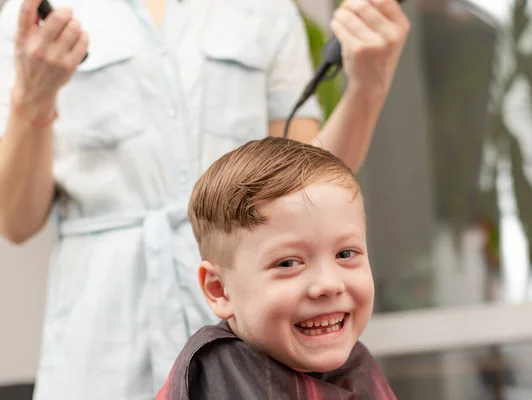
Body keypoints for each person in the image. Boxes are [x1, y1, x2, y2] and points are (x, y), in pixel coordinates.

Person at [0, 0, 409, 398]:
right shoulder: (29, 19)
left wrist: (368, 87)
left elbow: (305, 195)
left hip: (254, 358)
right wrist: (33, 96)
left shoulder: (266, 9)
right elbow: (15, 220)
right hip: (101, 351)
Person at [157, 136, 395, 400]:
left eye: (345, 254)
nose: (328, 284)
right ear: (219, 290)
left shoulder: (356, 365)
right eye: (288, 263)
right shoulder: (220, 378)